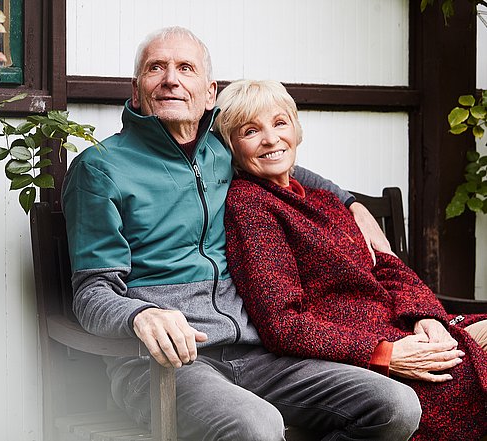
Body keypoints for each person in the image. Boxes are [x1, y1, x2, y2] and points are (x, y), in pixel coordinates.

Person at [63, 27, 422, 440]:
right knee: (257, 426)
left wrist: (350, 202)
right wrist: (141, 313)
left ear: (209, 92)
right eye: (155, 68)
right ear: (137, 87)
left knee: (395, 407)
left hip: (257, 352)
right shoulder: (100, 169)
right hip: (163, 364)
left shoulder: (220, 150)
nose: (171, 79)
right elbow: (91, 292)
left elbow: (283, 165)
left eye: (185, 68)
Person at [217, 79, 487, 441]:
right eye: (251, 131)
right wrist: (382, 352)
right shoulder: (250, 205)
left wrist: (427, 316)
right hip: (352, 349)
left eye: (279, 123)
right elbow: (282, 323)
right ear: (231, 147)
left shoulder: (324, 199)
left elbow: (387, 266)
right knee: (459, 380)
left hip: (399, 325)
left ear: (296, 129)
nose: (270, 139)